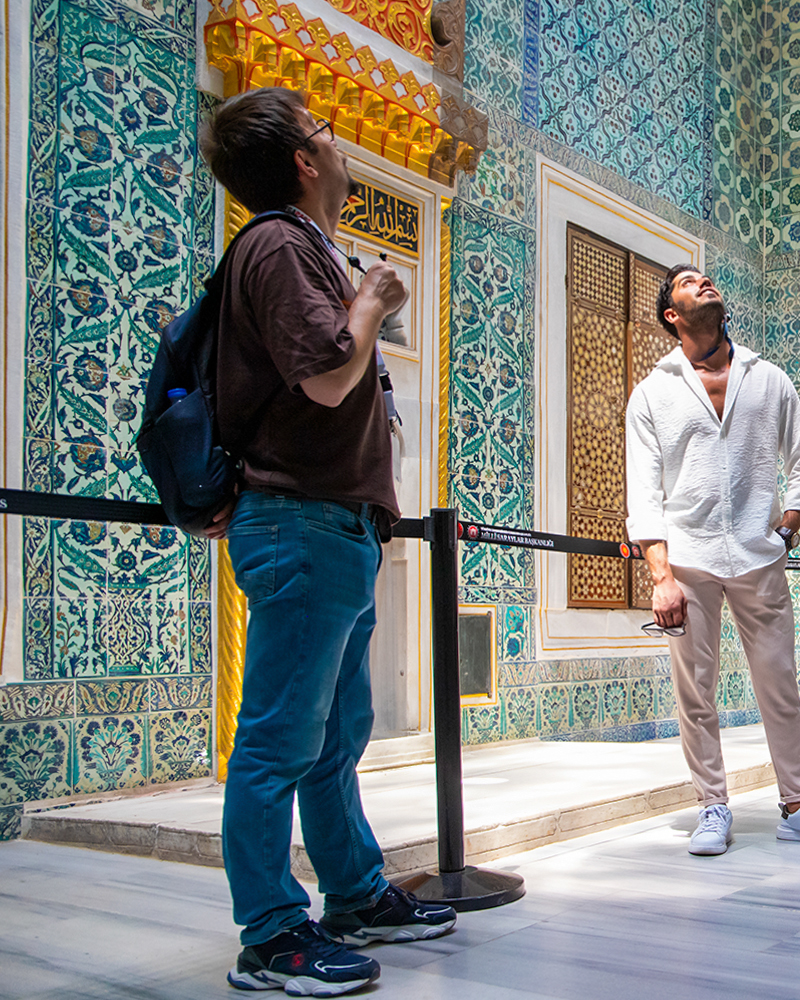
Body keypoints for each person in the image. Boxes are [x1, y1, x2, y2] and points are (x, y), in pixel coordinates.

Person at [201, 87, 456, 995]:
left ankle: (351, 891)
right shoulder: (276, 244)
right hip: (301, 524)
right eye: (325, 133)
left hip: (330, 527)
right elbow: (323, 382)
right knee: (277, 739)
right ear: (304, 162)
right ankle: (271, 934)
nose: (338, 145)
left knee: (337, 732)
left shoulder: (299, 246)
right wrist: (376, 301)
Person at [625, 265, 800, 857]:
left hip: (759, 558)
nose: (701, 281)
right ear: (671, 316)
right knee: (696, 692)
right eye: (686, 282)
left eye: (704, 277)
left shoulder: (768, 379)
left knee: (779, 683)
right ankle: (712, 806)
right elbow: (644, 492)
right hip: (688, 560)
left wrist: (787, 528)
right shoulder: (653, 391)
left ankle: (798, 804)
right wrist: (661, 577)